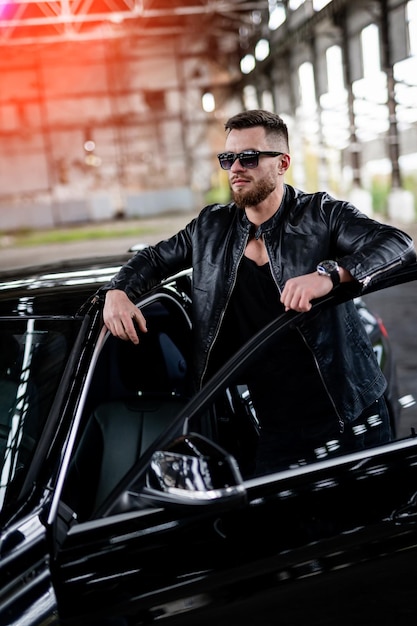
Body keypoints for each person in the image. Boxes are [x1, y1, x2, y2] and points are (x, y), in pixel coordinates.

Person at [101, 109, 416, 475]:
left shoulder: (321, 214)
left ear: (282, 163)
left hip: (347, 413)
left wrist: (329, 274)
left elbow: (399, 244)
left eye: (248, 157)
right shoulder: (210, 227)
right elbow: (153, 259)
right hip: (269, 422)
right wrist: (118, 290)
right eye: (228, 158)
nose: (236, 167)